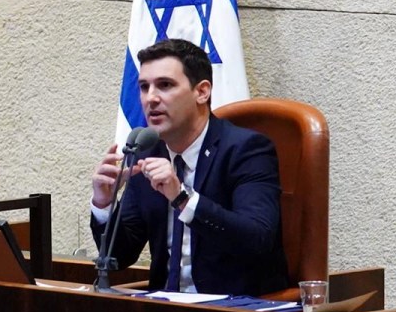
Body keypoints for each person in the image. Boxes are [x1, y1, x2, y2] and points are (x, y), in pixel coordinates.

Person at [90, 38, 288, 295]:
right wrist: (104, 205)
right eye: (143, 87)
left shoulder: (246, 150)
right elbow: (121, 256)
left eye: (165, 85)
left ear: (202, 92)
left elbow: (256, 239)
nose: (150, 98)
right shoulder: (144, 152)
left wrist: (181, 197)